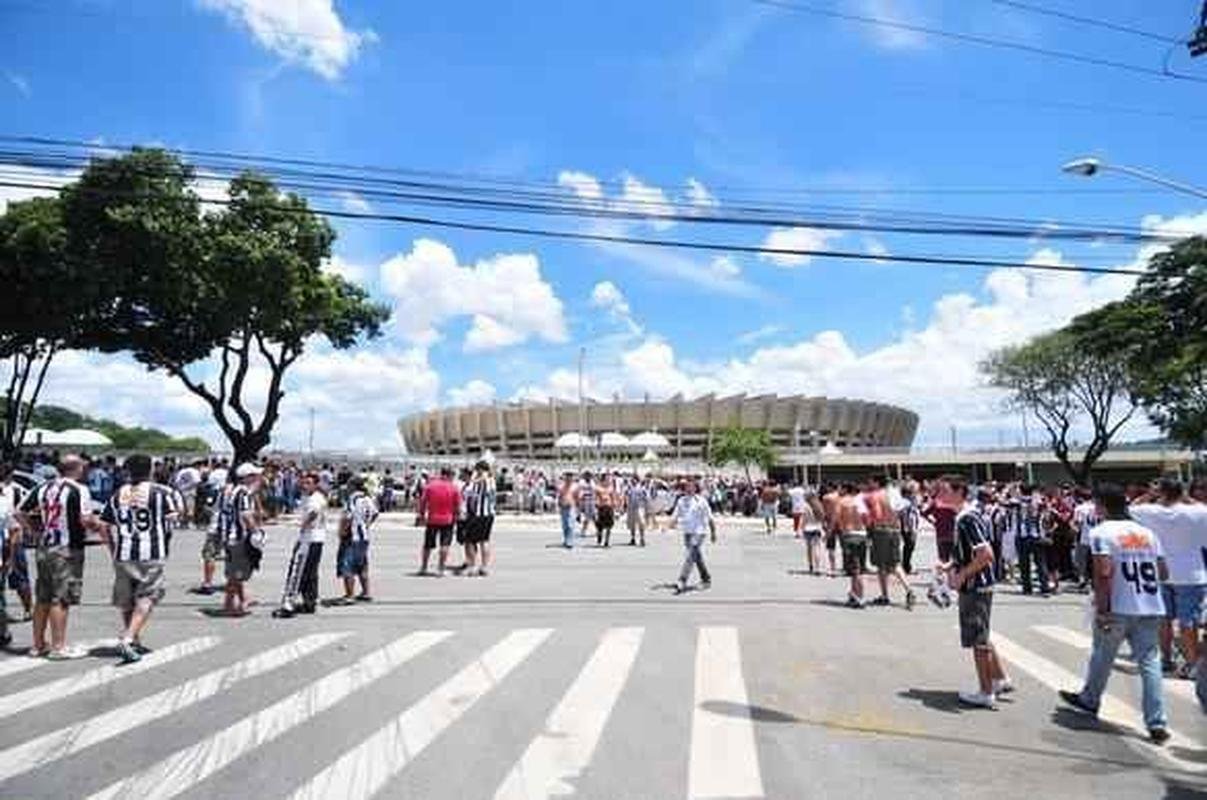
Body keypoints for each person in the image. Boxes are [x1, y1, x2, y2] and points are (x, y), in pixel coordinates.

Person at [1059, 483, 1170, 744]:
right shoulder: (1147, 534)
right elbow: (1163, 572)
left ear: (1103, 506)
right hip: (1150, 606)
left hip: (1119, 606)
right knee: (1150, 663)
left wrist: (1103, 608)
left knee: (1102, 656)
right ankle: (1156, 721)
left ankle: (1090, 699)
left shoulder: (1102, 533)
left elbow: (1103, 572)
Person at [15, 454, 99, 659]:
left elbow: (19, 511)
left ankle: (37, 645)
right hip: (67, 549)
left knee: (43, 596)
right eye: (82, 467)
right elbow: (84, 518)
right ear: (75, 469)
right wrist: (97, 526)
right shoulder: (79, 489)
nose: (84, 470)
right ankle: (58, 646)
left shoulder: (43, 487)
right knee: (61, 598)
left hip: (45, 546)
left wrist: (34, 531)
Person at [100, 454, 180, 663]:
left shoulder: (118, 493)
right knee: (147, 596)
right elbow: (174, 517)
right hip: (151, 553)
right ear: (150, 470)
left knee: (127, 601)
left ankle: (133, 638)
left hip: (123, 552)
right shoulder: (160, 493)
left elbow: (104, 523)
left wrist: (112, 546)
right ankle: (127, 638)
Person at [941, 475, 1012, 708]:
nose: (940, 495)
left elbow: (986, 554)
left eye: (944, 490)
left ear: (959, 491)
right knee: (982, 632)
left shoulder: (966, 518)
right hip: (979, 583)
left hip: (975, 585)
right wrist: (952, 565)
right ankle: (1000, 679)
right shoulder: (967, 515)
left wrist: (962, 574)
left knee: (977, 639)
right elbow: (971, 551)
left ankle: (985, 690)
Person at [1128, 477, 1207, 679]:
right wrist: (1186, 497)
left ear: (1161, 494)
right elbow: (1201, 506)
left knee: (1164, 619)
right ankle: (1192, 663)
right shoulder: (1198, 512)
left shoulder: (1152, 512)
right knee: (1188, 621)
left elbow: (1132, 506)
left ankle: (1165, 660)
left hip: (1162, 572)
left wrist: (1150, 494)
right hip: (1192, 574)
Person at [273, 471, 327, 619]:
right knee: (310, 573)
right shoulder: (312, 497)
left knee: (296, 571)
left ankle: (288, 605)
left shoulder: (315, 498)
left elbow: (314, 512)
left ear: (316, 484)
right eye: (304, 482)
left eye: (309, 483)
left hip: (309, 540)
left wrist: (304, 524)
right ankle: (310, 602)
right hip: (316, 540)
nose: (305, 485)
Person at [865, 477, 916, 609]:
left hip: (881, 531)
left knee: (881, 565)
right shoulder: (895, 494)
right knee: (895, 564)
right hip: (894, 530)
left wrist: (870, 527)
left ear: (876, 482)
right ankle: (909, 589)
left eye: (870, 481)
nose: (869, 484)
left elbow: (876, 515)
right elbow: (900, 511)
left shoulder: (876, 496)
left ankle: (884, 595)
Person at [221, 463, 264, 617]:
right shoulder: (243, 493)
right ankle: (229, 604)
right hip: (238, 537)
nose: (258, 478)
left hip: (230, 535)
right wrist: (256, 532)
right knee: (237, 573)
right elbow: (246, 515)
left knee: (235, 572)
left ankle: (242, 599)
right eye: (254, 475)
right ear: (247, 477)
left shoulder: (234, 491)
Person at [337, 476, 378, 601]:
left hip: (352, 537)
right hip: (364, 536)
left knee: (347, 565)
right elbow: (375, 513)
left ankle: (350, 595)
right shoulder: (367, 498)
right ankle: (366, 592)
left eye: (349, 485)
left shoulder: (352, 499)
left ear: (353, 486)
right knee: (362, 565)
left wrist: (342, 532)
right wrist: (366, 524)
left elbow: (348, 517)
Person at [670, 479, 713, 594]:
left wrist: (713, 533)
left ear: (695, 488)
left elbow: (710, 517)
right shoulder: (681, 501)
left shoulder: (701, 501)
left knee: (690, 556)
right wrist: (671, 523)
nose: (688, 489)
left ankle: (682, 580)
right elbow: (675, 514)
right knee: (696, 557)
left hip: (699, 532)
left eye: (691, 486)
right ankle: (706, 578)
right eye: (686, 487)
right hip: (687, 533)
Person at [417, 467, 461, 576]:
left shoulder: (430, 486)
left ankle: (424, 567)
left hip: (432, 519)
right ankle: (441, 568)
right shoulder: (454, 488)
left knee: (428, 545)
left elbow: (423, 502)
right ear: (449, 475)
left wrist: (422, 515)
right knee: (445, 544)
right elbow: (458, 506)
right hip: (448, 520)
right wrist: (456, 518)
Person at [836, 483, 869, 608]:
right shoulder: (859, 501)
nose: (839, 490)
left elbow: (835, 518)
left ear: (845, 490)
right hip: (862, 535)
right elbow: (866, 518)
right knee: (858, 568)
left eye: (840, 488)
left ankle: (860, 598)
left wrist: (829, 533)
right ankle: (853, 594)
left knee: (856, 570)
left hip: (850, 536)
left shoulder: (842, 502)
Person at [463, 461, 496, 576]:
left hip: (478, 514)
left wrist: (473, 479)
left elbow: (469, 493)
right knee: (484, 541)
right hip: (489, 514)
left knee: (470, 541)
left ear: (480, 469)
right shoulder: (492, 480)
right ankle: (484, 567)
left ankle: (472, 566)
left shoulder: (479, 481)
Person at [624, 475, 650, 547]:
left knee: (641, 523)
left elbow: (646, 498)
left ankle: (642, 538)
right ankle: (633, 538)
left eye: (634, 479)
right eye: (632, 480)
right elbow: (626, 496)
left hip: (639, 507)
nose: (632, 481)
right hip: (631, 507)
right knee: (632, 524)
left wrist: (647, 508)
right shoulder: (629, 488)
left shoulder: (642, 488)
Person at [595, 475, 617, 548]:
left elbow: (613, 497)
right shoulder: (598, 488)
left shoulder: (611, 488)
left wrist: (615, 505)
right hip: (601, 508)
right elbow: (596, 497)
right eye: (606, 479)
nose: (608, 481)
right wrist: (597, 503)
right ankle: (599, 536)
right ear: (603, 480)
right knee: (600, 525)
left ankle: (607, 541)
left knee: (609, 525)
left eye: (608, 480)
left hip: (609, 507)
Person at [557, 473, 576, 549]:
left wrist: (579, 507)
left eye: (570, 478)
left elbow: (577, 496)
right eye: (567, 478)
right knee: (565, 525)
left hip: (571, 506)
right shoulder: (561, 487)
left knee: (570, 524)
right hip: (563, 507)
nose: (569, 479)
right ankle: (566, 539)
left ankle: (570, 541)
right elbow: (559, 496)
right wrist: (559, 504)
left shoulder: (575, 487)